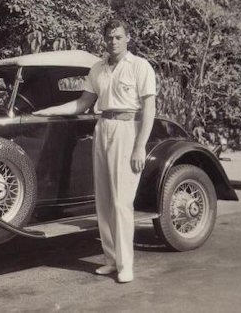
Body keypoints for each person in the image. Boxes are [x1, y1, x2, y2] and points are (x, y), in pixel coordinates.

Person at [33, 18, 157, 283]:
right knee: (104, 200)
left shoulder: (140, 66)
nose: (113, 41)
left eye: (118, 37)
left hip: (127, 129)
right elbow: (82, 103)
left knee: (121, 202)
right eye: (110, 37)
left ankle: (126, 265)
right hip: (103, 129)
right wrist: (48, 111)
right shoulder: (97, 69)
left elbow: (149, 110)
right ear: (105, 39)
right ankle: (111, 260)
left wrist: (139, 147)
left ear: (128, 38)